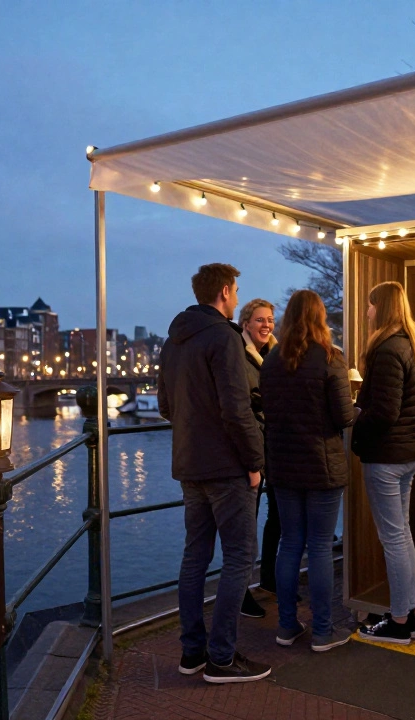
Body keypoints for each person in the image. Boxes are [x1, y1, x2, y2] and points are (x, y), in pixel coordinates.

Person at [158, 263, 270, 684]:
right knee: (240, 555)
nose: (238, 296)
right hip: (227, 467)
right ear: (225, 291)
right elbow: (236, 408)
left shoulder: (173, 341)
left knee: (195, 556)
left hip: (189, 465)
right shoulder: (224, 337)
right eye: (237, 290)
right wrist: (254, 462)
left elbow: (166, 407)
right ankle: (222, 657)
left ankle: (193, 653)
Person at [260, 290, 356, 652]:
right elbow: (344, 417)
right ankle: (322, 631)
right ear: (320, 318)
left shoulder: (271, 362)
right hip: (322, 467)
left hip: (283, 468)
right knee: (318, 547)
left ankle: (286, 626)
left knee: (289, 543)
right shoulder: (330, 359)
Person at [353, 280, 415, 645]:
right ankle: (408, 612)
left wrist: (356, 416)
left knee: (393, 538)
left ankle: (399, 621)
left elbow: (385, 412)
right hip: (408, 454)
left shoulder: (387, 350)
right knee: (402, 533)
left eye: (370, 306)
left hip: (385, 456)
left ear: (381, 307)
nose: (367, 312)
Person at [238, 298, 278, 619]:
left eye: (270, 320)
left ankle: (270, 578)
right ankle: (240, 594)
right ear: (246, 323)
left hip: (276, 445)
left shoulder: (276, 354)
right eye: (260, 320)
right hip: (253, 447)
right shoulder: (238, 354)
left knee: (278, 513)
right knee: (246, 523)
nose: (266, 325)